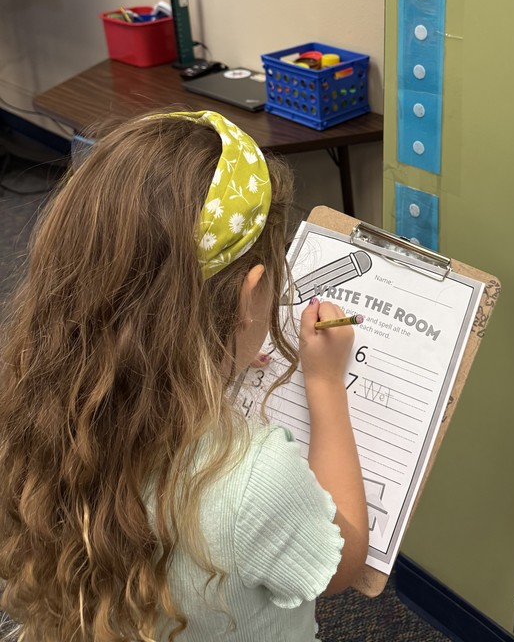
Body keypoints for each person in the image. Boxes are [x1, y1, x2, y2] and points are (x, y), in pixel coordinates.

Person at [0, 109, 368, 642]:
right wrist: (325, 383)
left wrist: (222, 364)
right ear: (249, 297)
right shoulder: (256, 479)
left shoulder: (27, 410)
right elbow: (343, 563)